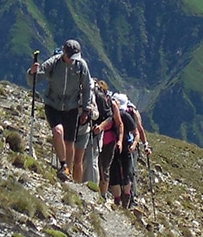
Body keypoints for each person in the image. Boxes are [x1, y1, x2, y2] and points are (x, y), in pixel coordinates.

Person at [28, 39, 93, 182]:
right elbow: (34, 80)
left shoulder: (81, 66)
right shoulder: (54, 63)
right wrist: (32, 73)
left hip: (71, 107)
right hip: (53, 105)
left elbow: (87, 87)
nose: (72, 60)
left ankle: (66, 172)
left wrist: (86, 109)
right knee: (58, 131)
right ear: (64, 52)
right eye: (70, 57)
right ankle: (63, 165)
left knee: (70, 142)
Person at [92, 79, 123, 201]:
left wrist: (119, 140)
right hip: (96, 138)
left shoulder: (112, 105)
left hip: (109, 142)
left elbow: (119, 124)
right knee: (95, 164)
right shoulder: (94, 103)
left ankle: (102, 195)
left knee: (104, 168)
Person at [109, 93, 138, 208]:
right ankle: (124, 198)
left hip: (116, 146)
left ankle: (120, 199)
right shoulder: (125, 115)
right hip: (123, 146)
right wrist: (134, 144)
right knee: (123, 173)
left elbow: (136, 133)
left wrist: (134, 144)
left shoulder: (114, 114)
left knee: (119, 173)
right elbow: (136, 133)